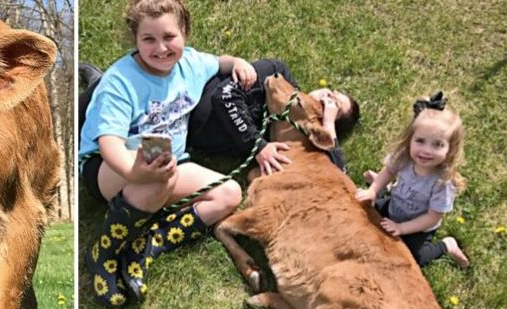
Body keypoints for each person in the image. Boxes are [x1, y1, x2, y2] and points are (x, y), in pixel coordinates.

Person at [80, 0, 250, 309]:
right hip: (109, 169)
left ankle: (146, 245)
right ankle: (104, 251)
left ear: (184, 32)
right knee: (156, 177)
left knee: (228, 194)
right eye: (149, 40)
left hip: (167, 162)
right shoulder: (120, 81)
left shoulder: (192, 65)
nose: (161, 48)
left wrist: (237, 62)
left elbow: (220, 61)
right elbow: (109, 144)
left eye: (169, 37)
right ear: (136, 40)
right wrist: (136, 174)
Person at [187, 58, 361, 175]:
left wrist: (329, 125)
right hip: (181, 101)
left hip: (182, 141)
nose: (326, 97)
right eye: (331, 93)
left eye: (331, 105)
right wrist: (258, 146)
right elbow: (224, 96)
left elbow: (336, 174)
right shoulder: (277, 74)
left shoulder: (292, 141)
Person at [355, 92, 470, 268]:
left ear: (450, 149)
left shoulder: (443, 182)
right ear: (410, 139)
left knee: (416, 259)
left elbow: (431, 218)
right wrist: (373, 190)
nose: (426, 150)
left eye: (437, 144)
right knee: (362, 209)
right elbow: (389, 170)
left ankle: (447, 245)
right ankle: (378, 186)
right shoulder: (404, 157)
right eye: (420, 141)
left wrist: (401, 229)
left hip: (418, 227)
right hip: (394, 206)